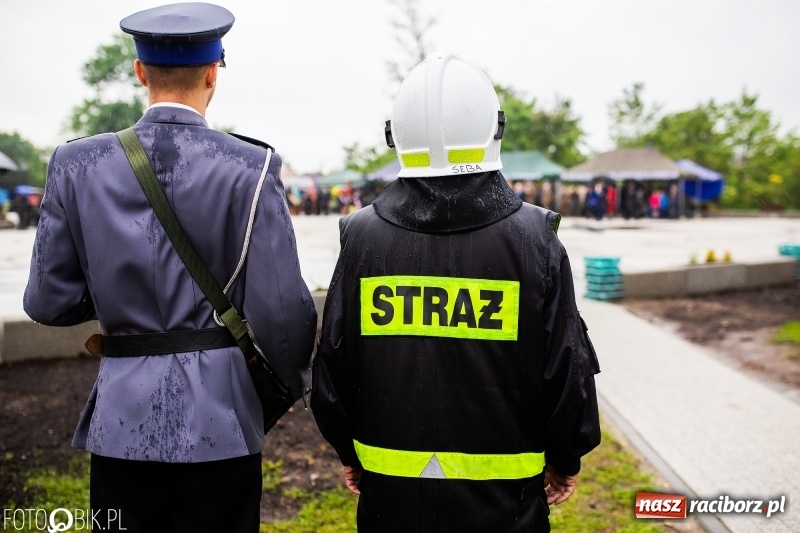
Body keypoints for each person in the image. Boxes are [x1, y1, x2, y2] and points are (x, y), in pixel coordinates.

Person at [23, 4, 317, 532]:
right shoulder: (253, 167)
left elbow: (48, 302)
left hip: (120, 420)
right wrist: (282, 388)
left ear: (140, 71)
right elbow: (283, 314)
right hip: (222, 419)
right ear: (213, 72)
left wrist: (117, 292)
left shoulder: (75, 165)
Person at [311, 51, 601, 532]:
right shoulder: (535, 240)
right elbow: (565, 369)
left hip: (390, 501)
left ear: (396, 135)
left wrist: (349, 449)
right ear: (494, 129)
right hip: (506, 507)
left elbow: (334, 364)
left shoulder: (361, 237)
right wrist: (566, 455)